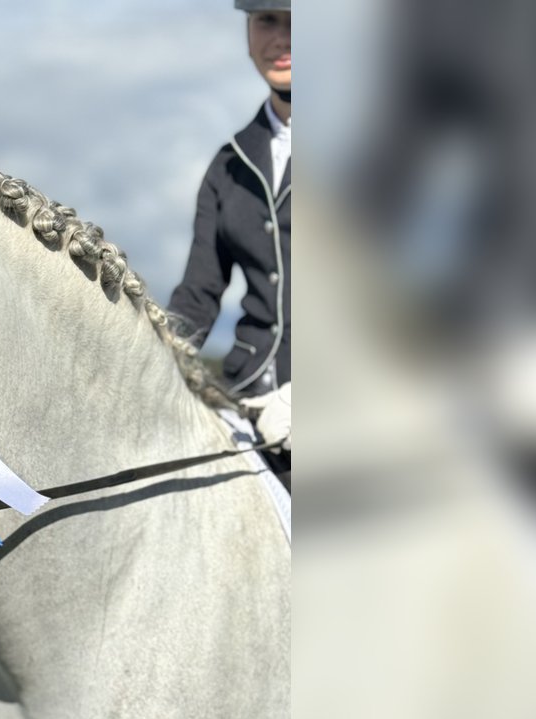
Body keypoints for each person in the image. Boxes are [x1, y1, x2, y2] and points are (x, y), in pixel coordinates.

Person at [169, 0, 291, 475]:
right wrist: (144, 368)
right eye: (267, 20)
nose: (281, 38)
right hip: (250, 410)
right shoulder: (228, 164)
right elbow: (197, 298)